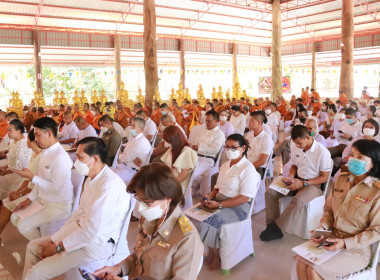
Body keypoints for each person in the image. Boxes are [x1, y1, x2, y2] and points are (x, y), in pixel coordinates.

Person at [22, 137, 131, 280]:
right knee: (33, 246)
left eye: (80, 157)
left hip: (97, 245)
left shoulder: (109, 187)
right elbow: (78, 214)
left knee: (36, 273)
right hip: (83, 234)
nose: (76, 161)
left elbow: (91, 232)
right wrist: (55, 239)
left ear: (95, 160)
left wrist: (58, 247)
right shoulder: (92, 178)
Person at [94, 163, 204, 280]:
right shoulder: (150, 218)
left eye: (147, 201)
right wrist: (118, 269)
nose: (141, 207)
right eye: (139, 199)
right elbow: (140, 257)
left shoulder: (186, 238)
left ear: (167, 199)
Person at [296, 139, 380, 279]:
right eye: (352, 155)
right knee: (300, 262)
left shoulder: (376, 192)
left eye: (360, 157)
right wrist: (323, 228)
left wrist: (345, 243)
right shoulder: (341, 179)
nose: (353, 159)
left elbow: (377, 230)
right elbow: (329, 210)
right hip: (332, 239)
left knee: (313, 270)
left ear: (373, 163)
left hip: (356, 249)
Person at [197, 134, 260, 270]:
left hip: (239, 207)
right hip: (219, 200)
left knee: (212, 223)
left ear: (243, 148)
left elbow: (245, 198)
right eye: (227, 147)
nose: (229, 150)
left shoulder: (248, 169)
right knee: (200, 220)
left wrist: (219, 205)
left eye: (233, 147)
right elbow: (217, 187)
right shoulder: (225, 165)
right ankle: (212, 252)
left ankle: (217, 256)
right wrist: (209, 196)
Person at [261, 125, 332, 241]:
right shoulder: (295, 146)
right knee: (270, 192)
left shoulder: (322, 152)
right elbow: (294, 165)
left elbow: (324, 177)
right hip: (297, 179)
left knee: (298, 200)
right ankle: (271, 225)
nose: (297, 146)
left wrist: (304, 184)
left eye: (299, 143)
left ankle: (277, 227)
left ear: (308, 137)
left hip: (313, 184)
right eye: (295, 143)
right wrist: (290, 177)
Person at [11, 117, 73, 241]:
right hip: (43, 200)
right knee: (15, 217)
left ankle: (42, 247)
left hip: (58, 206)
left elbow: (56, 189)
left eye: (38, 135)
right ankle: (42, 243)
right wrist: (29, 199)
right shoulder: (45, 153)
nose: (36, 139)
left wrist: (32, 177)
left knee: (24, 225)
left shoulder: (61, 157)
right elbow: (40, 182)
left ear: (49, 133)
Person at [0, 129, 42, 236]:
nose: (25, 140)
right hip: (29, 187)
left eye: (27, 139)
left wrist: (19, 194)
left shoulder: (42, 157)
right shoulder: (34, 154)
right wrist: (17, 192)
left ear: (34, 142)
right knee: (6, 202)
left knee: (8, 205)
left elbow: (34, 183)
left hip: (37, 192)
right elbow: (28, 179)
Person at [191, 110, 225, 195]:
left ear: (216, 121)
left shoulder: (219, 134)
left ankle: (191, 190)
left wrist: (199, 148)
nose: (207, 123)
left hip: (207, 159)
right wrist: (192, 146)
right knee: (183, 170)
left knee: (192, 173)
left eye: (209, 121)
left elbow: (214, 150)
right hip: (196, 156)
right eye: (206, 121)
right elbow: (197, 143)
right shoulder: (204, 130)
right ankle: (192, 188)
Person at [0, 119, 32, 199]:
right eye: (8, 130)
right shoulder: (14, 141)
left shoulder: (24, 144)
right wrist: (6, 167)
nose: (8, 133)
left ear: (18, 131)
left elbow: (22, 167)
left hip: (21, 175)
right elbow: (13, 160)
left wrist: (7, 171)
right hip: (13, 170)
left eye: (10, 130)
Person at [160, 125, 198, 194]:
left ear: (175, 140)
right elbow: (166, 165)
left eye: (168, 141)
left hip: (178, 184)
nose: (167, 143)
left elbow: (183, 175)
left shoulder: (186, 151)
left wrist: (170, 186)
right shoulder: (173, 148)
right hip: (169, 179)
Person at [113, 118, 151, 184]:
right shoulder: (134, 138)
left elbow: (127, 158)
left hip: (132, 172)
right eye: (131, 125)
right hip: (126, 167)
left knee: (112, 181)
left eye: (133, 126)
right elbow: (125, 151)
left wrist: (120, 154)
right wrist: (126, 155)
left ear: (140, 129)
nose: (130, 127)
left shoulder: (141, 142)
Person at [245, 111, 274, 177]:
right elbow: (244, 152)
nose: (249, 123)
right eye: (249, 121)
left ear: (259, 123)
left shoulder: (266, 139)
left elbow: (262, 161)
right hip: (247, 165)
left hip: (258, 169)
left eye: (251, 121)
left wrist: (247, 168)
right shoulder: (249, 135)